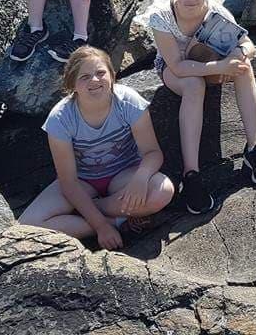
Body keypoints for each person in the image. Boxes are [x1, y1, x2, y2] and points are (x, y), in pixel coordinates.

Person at [149, 0, 256, 215]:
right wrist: (221, 68)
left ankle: (254, 149)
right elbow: (177, 66)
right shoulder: (161, 17)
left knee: (243, 67)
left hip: (208, 60)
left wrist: (239, 56)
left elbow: (247, 44)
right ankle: (191, 173)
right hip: (177, 69)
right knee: (194, 85)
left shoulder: (216, 12)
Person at [18, 46, 173, 250]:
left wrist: (141, 178)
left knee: (163, 191)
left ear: (112, 75)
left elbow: (152, 153)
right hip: (83, 183)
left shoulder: (128, 101)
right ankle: (117, 221)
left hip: (124, 175)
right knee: (27, 227)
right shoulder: (60, 119)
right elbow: (68, 181)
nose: (94, 80)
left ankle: (91, 210)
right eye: (84, 77)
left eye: (101, 73)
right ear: (72, 84)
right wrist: (101, 226)